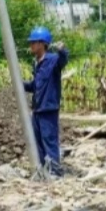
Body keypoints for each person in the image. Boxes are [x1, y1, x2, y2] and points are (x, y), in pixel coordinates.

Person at [23, 26, 68, 178]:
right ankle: (43, 170)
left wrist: (62, 50)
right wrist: (20, 84)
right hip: (37, 109)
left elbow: (63, 61)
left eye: (33, 42)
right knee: (38, 143)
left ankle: (55, 171)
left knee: (49, 141)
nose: (31, 46)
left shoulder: (52, 60)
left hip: (48, 109)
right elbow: (35, 86)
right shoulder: (37, 63)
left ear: (42, 44)